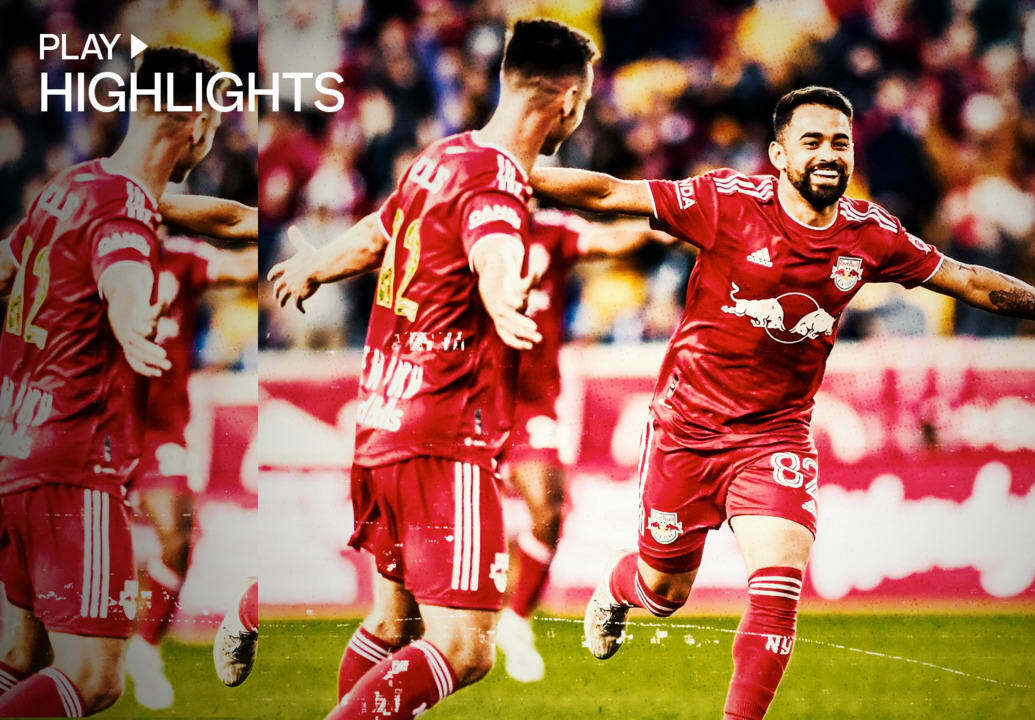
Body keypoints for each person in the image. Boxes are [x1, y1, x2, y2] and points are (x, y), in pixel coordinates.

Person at [531, 85, 1035, 720]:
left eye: (840, 143)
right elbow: (611, 193)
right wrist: (506, 175)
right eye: (813, 142)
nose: (830, 155)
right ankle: (617, 587)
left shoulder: (869, 234)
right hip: (686, 429)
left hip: (775, 438)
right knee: (663, 590)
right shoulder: (728, 202)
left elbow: (967, 280)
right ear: (777, 154)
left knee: (777, 588)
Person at [268, 18, 598, 719]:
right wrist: (505, 290)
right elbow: (495, 241)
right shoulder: (501, 181)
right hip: (443, 438)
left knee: (395, 626)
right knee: (466, 648)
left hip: (382, 422)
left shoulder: (440, 158)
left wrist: (314, 265)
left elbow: (381, 231)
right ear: (569, 100)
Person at [0, 46, 225, 717]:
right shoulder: (128, 208)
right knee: (94, 678)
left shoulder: (67, 187)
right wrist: (131, 323)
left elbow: (6, 267)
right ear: (194, 121)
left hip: (15, 453)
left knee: (22, 658)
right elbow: (125, 274)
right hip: (74, 466)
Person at [495, 208, 672, 682]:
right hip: (468, 396)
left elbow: (610, 240)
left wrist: (671, 223)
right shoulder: (466, 225)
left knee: (549, 511)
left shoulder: (551, 230)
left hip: (533, 403)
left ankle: (515, 620)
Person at [123, 234, 256, 709]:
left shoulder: (183, 257)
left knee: (179, 538)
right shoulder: (97, 247)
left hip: (161, 430)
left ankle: (145, 650)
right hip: (97, 418)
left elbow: (244, 268)